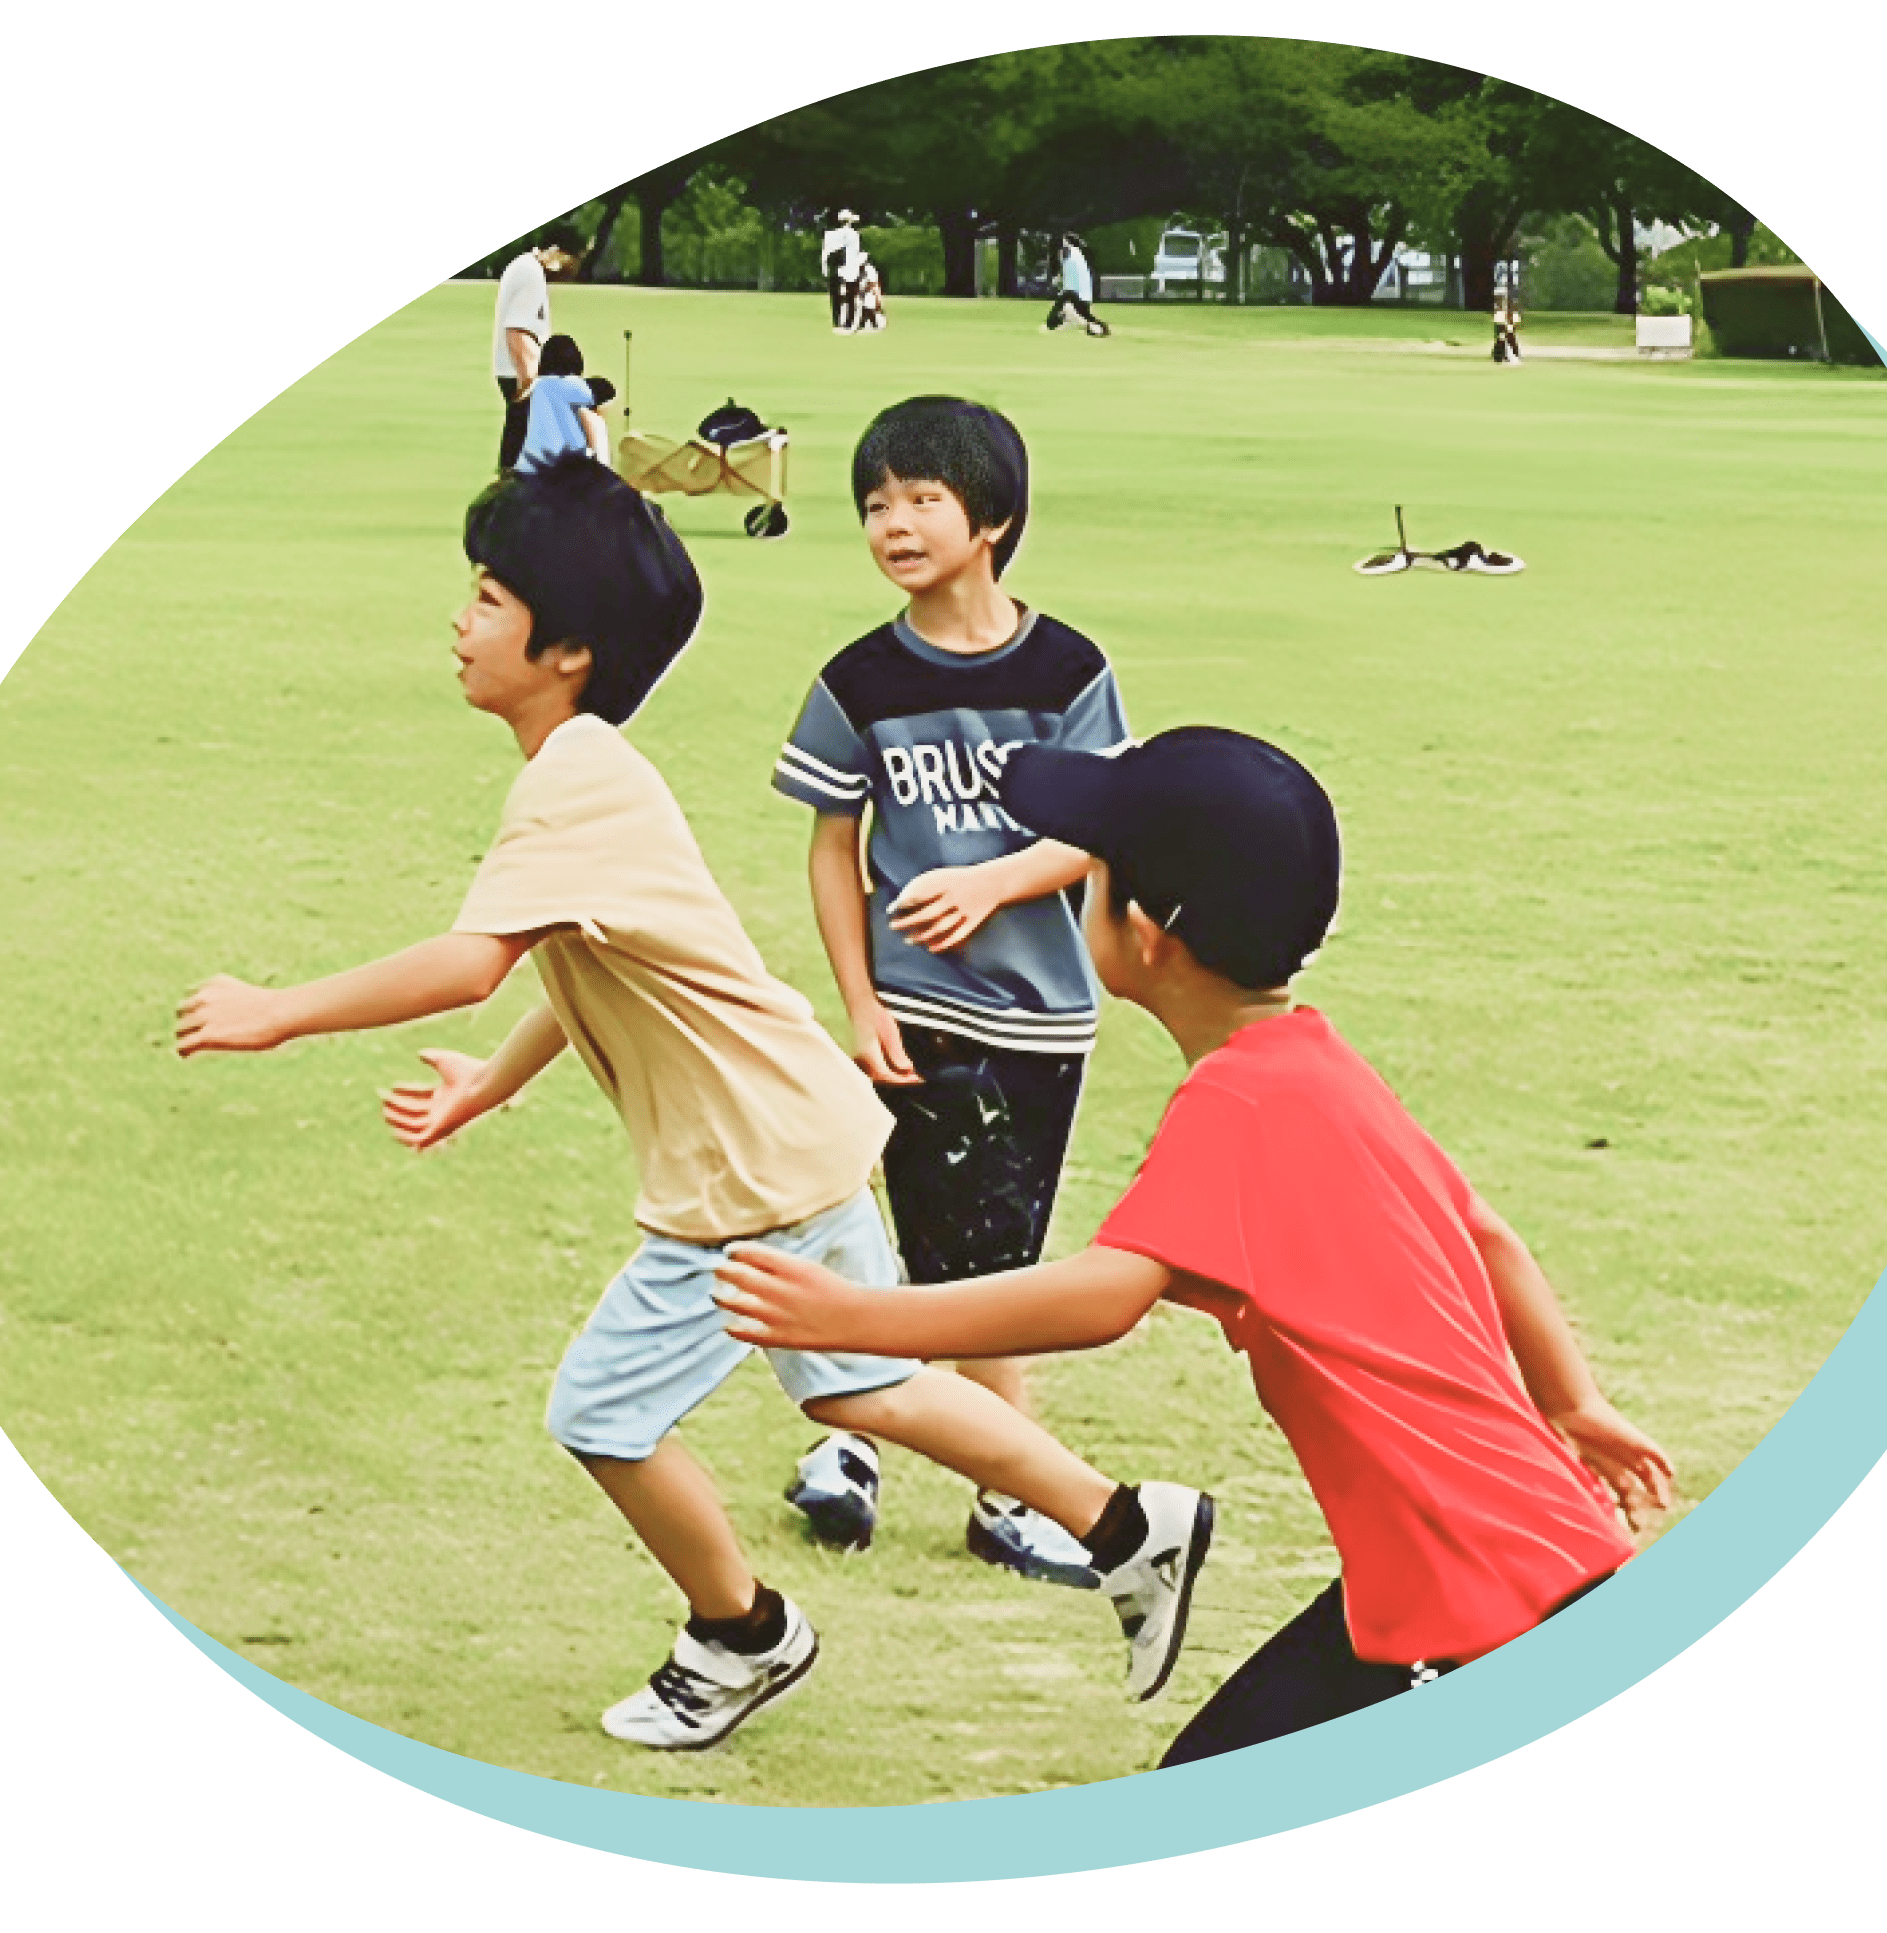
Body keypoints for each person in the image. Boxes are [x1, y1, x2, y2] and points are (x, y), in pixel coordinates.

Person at [174, 455, 1211, 1751]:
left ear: (568, 651)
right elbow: (593, 967)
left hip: (748, 1172)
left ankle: (742, 1631)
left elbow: (470, 964)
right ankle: (1131, 1526)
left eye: (490, 597)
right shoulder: (594, 771)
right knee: (861, 1390)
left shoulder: (576, 779)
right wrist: (493, 1084)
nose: (461, 620)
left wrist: (276, 1009)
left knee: (602, 1415)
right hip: (798, 1129)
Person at [720, 726, 1676, 1766]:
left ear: (1143, 933)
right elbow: (1486, 1237)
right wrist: (1571, 1401)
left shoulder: (1233, 1102)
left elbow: (1104, 1297)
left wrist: (862, 1319)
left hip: (1483, 1619)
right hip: (1494, 1571)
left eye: (1086, 872)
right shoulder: (1317, 1065)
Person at [770, 398, 1129, 1589]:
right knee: (915, 1241)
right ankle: (944, 1474)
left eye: (923, 498)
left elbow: (1095, 824)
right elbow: (833, 847)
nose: (894, 522)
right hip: (912, 1008)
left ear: (994, 520)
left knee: (996, 1261)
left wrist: (986, 884)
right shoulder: (858, 678)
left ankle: (937, 1466)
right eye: (876, 502)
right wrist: (859, 997)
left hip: (1038, 1014)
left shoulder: (1069, 669)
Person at [492, 243, 571, 471]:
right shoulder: (531, 273)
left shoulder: (524, 266)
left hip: (512, 370)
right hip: (520, 373)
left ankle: (504, 494)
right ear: (556, 250)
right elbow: (517, 331)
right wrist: (532, 383)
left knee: (519, 442)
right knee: (523, 448)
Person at [514, 334, 615, 473]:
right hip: (565, 475)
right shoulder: (574, 386)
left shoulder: (531, 392)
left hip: (525, 474)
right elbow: (607, 390)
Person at [1046, 234, 1111, 338]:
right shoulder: (1076, 253)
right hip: (1084, 296)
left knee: (1052, 321)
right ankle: (1098, 328)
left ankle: (1070, 321)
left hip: (1073, 293)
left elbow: (1061, 270)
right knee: (1084, 315)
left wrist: (1056, 279)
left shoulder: (1067, 252)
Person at [821, 209, 865, 333]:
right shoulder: (854, 234)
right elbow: (856, 253)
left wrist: (825, 270)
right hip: (850, 269)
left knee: (835, 297)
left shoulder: (829, 234)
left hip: (834, 268)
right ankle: (849, 322)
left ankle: (837, 321)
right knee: (851, 296)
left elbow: (825, 254)